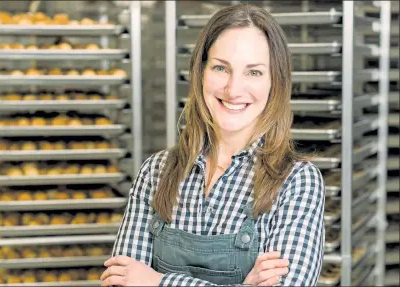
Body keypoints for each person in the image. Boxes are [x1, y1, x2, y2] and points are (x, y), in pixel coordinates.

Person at [101, 3, 325, 287]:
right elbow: (121, 283)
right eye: (221, 68)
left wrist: (156, 281)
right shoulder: (155, 172)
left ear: (275, 83)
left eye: (253, 72)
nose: (233, 89)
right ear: (201, 73)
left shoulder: (297, 182)